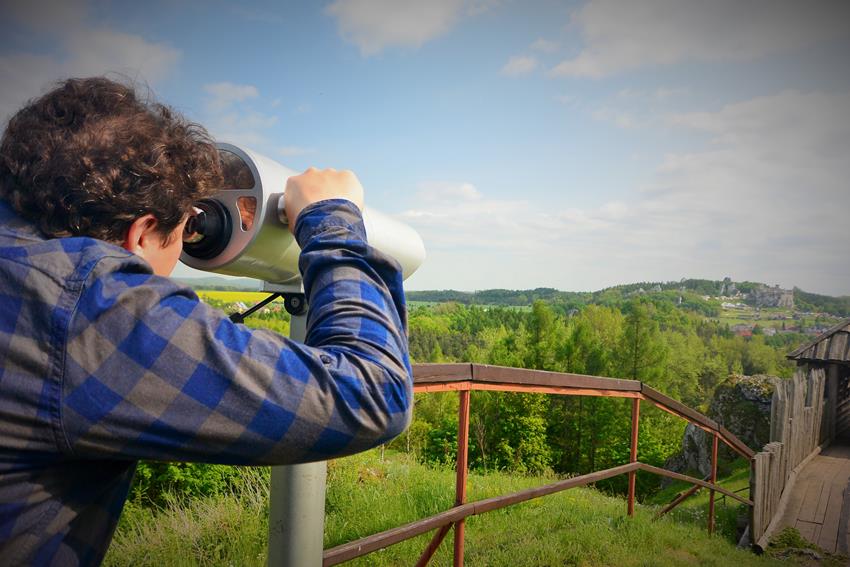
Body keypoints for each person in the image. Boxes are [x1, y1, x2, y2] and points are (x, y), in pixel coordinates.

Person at [0, 77, 412, 566]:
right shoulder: (83, 308)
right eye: (185, 230)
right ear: (142, 233)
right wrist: (331, 220)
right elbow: (372, 392)